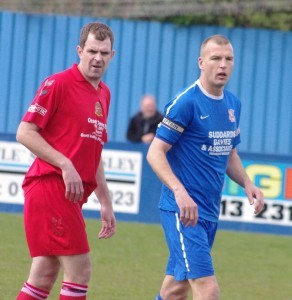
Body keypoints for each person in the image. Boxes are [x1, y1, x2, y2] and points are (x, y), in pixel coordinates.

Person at [147, 34, 265, 300]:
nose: (223, 65)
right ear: (201, 62)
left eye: (228, 59)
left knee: (175, 290)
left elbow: (228, 151)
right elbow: (155, 152)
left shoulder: (233, 104)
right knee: (207, 289)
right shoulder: (186, 103)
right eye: (216, 58)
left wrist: (247, 183)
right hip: (183, 212)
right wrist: (179, 191)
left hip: (208, 213)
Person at [15, 22, 116, 300]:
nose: (98, 58)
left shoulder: (104, 94)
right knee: (80, 271)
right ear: (79, 50)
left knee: (44, 273)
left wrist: (105, 201)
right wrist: (64, 163)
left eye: (104, 53)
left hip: (70, 195)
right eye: (92, 51)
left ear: (112, 55)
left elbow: (93, 153)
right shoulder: (58, 83)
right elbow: (25, 132)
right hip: (49, 187)